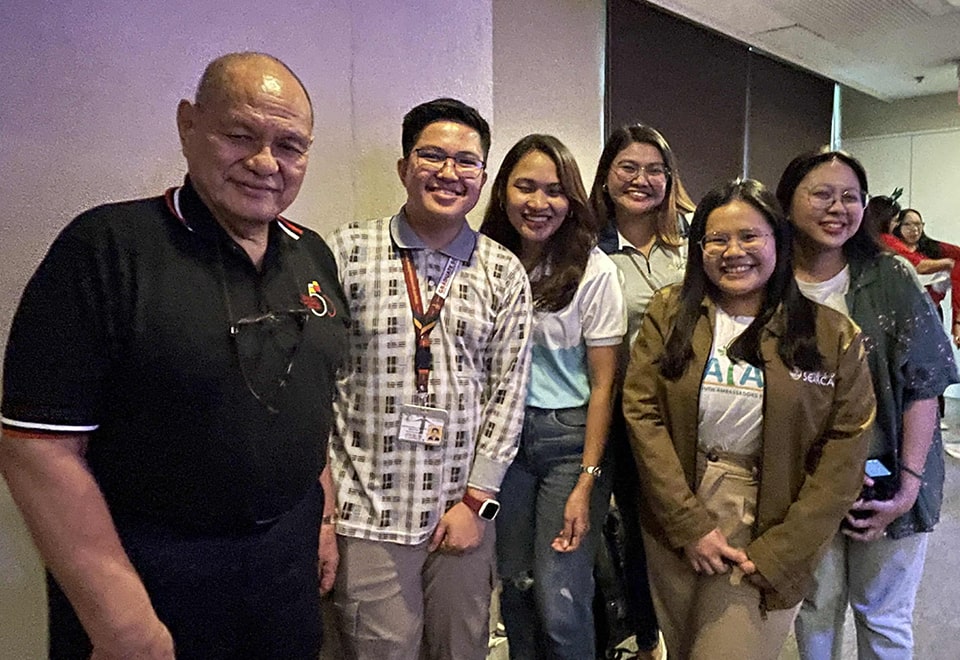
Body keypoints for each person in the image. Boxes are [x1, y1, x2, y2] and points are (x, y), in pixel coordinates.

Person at [0, 52, 348, 659]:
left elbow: (307, 400)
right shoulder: (106, 249)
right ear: (189, 126)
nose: (267, 163)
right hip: (150, 580)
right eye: (241, 135)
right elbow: (37, 449)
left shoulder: (312, 254)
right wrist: (124, 625)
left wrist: (320, 521)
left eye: (290, 145)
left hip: (284, 576)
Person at [621, 178, 875, 660]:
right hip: (677, 504)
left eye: (750, 236)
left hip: (771, 515)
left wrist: (784, 550)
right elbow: (642, 411)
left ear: (778, 241)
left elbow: (846, 450)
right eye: (717, 239)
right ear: (700, 249)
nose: (733, 251)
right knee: (684, 646)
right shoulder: (670, 311)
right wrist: (687, 523)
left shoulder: (831, 333)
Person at [326, 98, 533, 660]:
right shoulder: (346, 251)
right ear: (403, 167)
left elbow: (508, 394)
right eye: (432, 156)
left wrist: (478, 503)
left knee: (460, 650)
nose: (449, 172)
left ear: (483, 177)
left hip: (460, 510)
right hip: (367, 508)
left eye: (466, 162)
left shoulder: (501, 269)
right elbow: (318, 378)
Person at [779, 148, 958, 660]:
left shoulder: (889, 277)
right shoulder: (771, 281)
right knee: (814, 607)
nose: (838, 207)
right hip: (803, 483)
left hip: (884, 476)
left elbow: (924, 382)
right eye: (822, 194)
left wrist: (908, 486)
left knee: (881, 614)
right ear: (788, 201)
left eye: (850, 197)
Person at [478, 134, 625, 658]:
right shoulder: (485, 260)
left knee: (561, 597)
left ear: (574, 200)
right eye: (526, 187)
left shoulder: (594, 270)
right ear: (503, 192)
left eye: (555, 191)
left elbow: (605, 383)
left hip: (570, 441)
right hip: (503, 441)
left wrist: (587, 479)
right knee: (515, 586)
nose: (539, 204)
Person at [587, 123, 695, 658]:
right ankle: (647, 639)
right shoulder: (587, 248)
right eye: (628, 167)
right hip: (619, 415)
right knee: (632, 533)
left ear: (670, 178)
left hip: (691, 414)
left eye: (655, 169)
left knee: (687, 525)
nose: (641, 179)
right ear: (607, 177)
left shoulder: (695, 242)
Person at [892, 208, 960, 348]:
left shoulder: (932, 248)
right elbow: (919, 267)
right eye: (908, 224)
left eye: (918, 224)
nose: (914, 229)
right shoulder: (891, 249)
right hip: (901, 315)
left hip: (932, 311)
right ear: (898, 226)